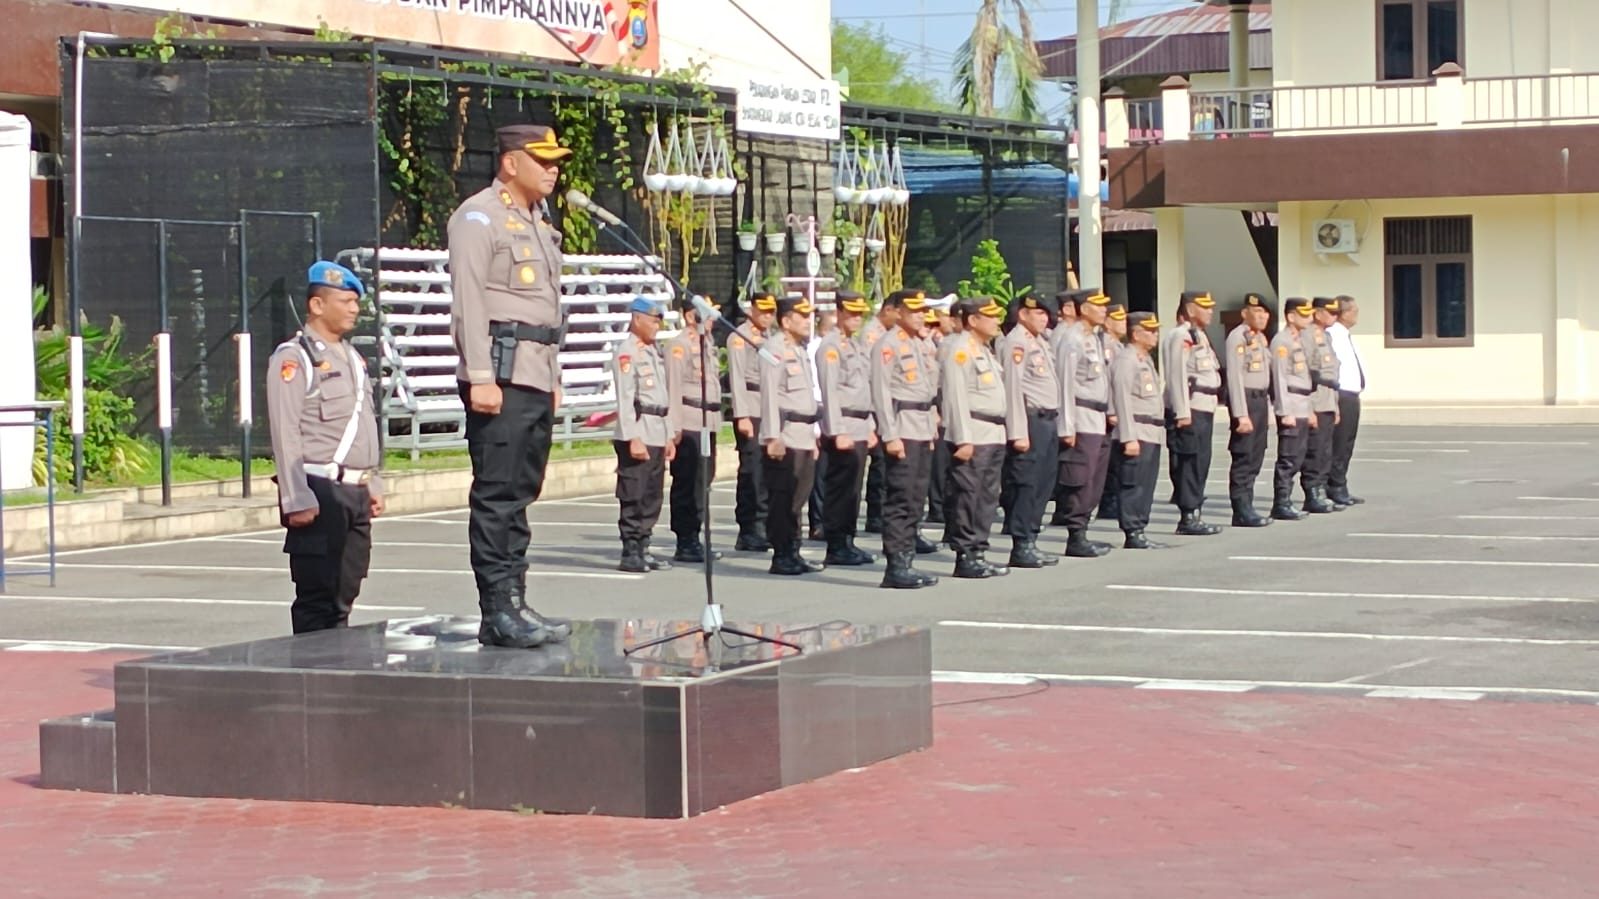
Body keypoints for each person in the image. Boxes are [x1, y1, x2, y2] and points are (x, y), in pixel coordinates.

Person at [448, 123, 573, 649]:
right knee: (498, 494)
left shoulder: (539, 221)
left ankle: (515, 601)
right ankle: (497, 607)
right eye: (542, 160)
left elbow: (548, 309)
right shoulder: (479, 217)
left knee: (521, 493)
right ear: (510, 162)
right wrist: (480, 376)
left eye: (556, 160)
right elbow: (469, 301)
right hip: (500, 374)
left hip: (535, 372)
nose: (553, 169)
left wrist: (554, 377)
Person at [268, 261, 384, 635]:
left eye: (355, 302)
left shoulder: (352, 357)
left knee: (345, 590)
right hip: (320, 490)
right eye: (345, 301)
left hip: (354, 491)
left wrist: (372, 480)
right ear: (317, 305)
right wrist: (295, 496)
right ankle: (311, 667)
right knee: (318, 595)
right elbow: (285, 430)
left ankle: (335, 662)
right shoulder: (294, 357)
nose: (354, 309)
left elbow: (364, 422)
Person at [871, 290, 941, 589]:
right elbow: (881, 392)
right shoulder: (888, 344)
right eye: (914, 310)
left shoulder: (920, 343)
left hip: (921, 427)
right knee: (901, 497)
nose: (920, 315)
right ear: (898, 312)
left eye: (923, 311)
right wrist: (890, 434)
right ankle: (896, 564)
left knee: (915, 497)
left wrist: (933, 423)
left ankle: (908, 558)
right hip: (902, 428)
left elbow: (929, 389)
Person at [940, 298, 1011, 579]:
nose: (996, 321)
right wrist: (963, 438)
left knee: (987, 496)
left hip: (993, 432)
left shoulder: (983, 349)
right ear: (972, 320)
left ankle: (979, 550)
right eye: (989, 316)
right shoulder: (960, 350)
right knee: (967, 495)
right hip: (974, 431)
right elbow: (955, 397)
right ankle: (965, 554)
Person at [1000, 293, 1069, 569]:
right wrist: (1018, 431)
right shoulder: (1016, 342)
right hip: (1030, 420)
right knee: (1026, 483)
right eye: (1038, 313)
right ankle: (1021, 542)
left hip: (1047, 419)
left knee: (1043, 482)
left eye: (1045, 314)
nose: (1044, 319)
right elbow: (1013, 388)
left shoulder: (1039, 341)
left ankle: (1032, 536)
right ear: (1023, 314)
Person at [610, 297, 677, 572]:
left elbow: (663, 397)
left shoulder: (654, 352)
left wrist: (669, 435)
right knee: (634, 493)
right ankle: (630, 550)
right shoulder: (628, 352)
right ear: (636, 319)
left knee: (652, 495)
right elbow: (626, 399)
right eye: (652, 321)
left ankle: (644, 547)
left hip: (657, 430)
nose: (656, 326)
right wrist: (632, 437)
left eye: (659, 321)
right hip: (639, 429)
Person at [759, 297, 825, 576]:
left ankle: (793, 551)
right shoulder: (773, 349)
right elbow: (769, 395)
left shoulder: (799, 349)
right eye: (803, 316)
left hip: (803, 435)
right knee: (783, 499)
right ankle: (782, 554)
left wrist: (814, 435)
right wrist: (772, 436)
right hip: (785, 436)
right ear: (786, 321)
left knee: (798, 499)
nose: (809, 321)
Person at [816, 289, 878, 566]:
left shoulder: (855, 345)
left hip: (860, 423)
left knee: (853, 489)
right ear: (839, 313)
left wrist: (871, 425)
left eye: (859, 314)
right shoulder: (831, 347)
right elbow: (829, 392)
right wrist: (836, 430)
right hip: (843, 423)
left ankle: (847, 540)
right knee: (840, 488)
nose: (856, 318)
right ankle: (836, 544)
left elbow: (864, 388)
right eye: (851, 313)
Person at [1051, 290, 1114, 558]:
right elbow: (1064, 383)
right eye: (1098, 306)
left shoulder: (1093, 338)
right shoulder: (1072, 339)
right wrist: (1067, 426)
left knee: (1095, 479)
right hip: (1080, 416)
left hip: (1097, 417)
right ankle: (1075, 534)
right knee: (1080, 478)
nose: (1104, 310)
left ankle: (1083, 529)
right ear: (1084, 309)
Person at [664, 296, 721, 563]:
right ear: (690, 316)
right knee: (687, 482)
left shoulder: (707, 343)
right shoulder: (679, 346)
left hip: (707, 421)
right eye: (707, 315)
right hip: (688, 422)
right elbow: (673, 388)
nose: (712, 320)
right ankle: (685, 539)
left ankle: (696, 536)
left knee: (704, 480)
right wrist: (674, 427)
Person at [1163, 291, 1224, 536]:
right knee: (1190, 462)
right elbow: (1177, 375)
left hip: (1204, 406)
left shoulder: (1199, 335)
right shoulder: (1181, 335)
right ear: (1190, 310)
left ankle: (1194, 510)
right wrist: (1181, 411)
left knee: (1201, 460)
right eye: (1204, 307)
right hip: (1191, 407)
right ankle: (1188, 516)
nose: (1210, 311)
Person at [1111, 311, 1167, 549]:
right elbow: (1121, 398)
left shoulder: (1144, 359)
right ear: (1135, 334)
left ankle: (1140, 528)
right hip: (1136, 430)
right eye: (1150, 331)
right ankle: (1132, 530)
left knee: (1146, 483)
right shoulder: (1127, 360)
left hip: (1150, 431)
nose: (1155, 335)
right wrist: (1128, 436)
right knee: (1134, 483)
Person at [728, 292, 777, 551]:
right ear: (751, 311)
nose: (768, 316)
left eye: (771, 312)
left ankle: (765, 523)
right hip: (751, 405)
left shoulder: (771, 338)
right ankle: (749, 528)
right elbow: (736, 378)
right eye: (763, 311)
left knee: (768, 471)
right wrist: (742, 414)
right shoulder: (740, 337)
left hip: (768, 408)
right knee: (752, 470)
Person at [1224, 293, 1274, 527]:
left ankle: (1248, 504)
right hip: (1246, 401)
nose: (1263, 317)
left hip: (1260, 401)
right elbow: (1234, 377)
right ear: (1245, 313)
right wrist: (1240, 414)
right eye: (1257, 312)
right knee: (1244, 455)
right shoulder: (1238, 337)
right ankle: (1241, 508)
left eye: (1265, 313)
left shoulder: (1260, 338)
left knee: (1256, 454)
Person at [857, 294, 904, 534]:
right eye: (898, 312)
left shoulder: (889, 334)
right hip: (875, 406)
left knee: (886, 465)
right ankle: (876, 514)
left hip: (887, 406)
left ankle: (882, 512)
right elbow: (870, 375)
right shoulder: (872, 334)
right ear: (888, 310)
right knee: (880, 465)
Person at [1270, 299, 1317, 521]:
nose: (1309, 318)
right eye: (1304, 314)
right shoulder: (1282, 341)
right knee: (1288, 457)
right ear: (1290, 316)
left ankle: (1287, 501)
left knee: (1299, 455)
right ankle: (1281, 502)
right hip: (1291, 403)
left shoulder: (1299, 340)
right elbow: (1279, 378)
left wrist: (1310, 410)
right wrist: (1284, 410)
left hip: (1302, 403)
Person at [1299, 297, 1344, 514]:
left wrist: (1335, 407)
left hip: (1327, 399)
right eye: (1330, 312)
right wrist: (1308, 410)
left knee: (1325, 450)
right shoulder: (1307, 336)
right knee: (1315, 450)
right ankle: (1312, 493)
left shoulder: (1325, 336)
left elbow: (1332, 374)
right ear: (1317, 314)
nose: (1335, 316)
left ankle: (1321, 491)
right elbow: (1306, 374)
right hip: (1315, 400)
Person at [1326, 296, 1367, 506]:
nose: (1357, 314)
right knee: (1339, 443)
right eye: (1354, 310)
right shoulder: (1332, 335)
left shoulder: (1346, 335)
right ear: (1343, 313)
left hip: (1352, 394)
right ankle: (1334, 486)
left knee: (1347, 443)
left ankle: (1340, 484)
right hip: (1341, 394)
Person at [806, 309, 838, 541]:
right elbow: (812, 386)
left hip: (834, 409)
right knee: (820, 472)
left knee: (834, 470)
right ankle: (818, 522)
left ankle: (831, 520)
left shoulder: (838, 348)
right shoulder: (815, 349)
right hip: (819, 408)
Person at [1096, 303, 1129, 524]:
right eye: (1118, 319)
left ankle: (1112, 500)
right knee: (1112, 460)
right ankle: (1108, 502)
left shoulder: (1116, 345)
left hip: (1118, 408)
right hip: (1112, 409)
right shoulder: (1106, 345)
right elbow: (1107, 380)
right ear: (1107, 322)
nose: (1123, 323)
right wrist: (1111, 410)